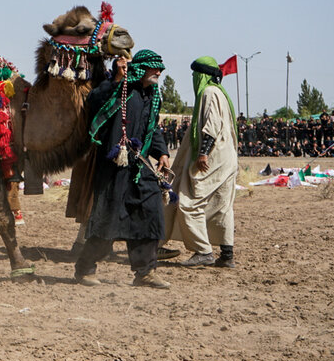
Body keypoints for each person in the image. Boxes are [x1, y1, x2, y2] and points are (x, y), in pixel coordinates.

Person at [74, 50, 172, 289]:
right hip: (113, 166)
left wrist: (162, 153)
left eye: (160, 69)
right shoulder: (118, 87)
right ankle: (85, 268)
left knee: (149, 213)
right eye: (153, 67)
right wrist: (117, 79)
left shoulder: (152, 95)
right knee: (108, 219)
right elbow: (94, 101)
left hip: (140, 166)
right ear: (140, 68)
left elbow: (153, 128)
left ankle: (145, 272)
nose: (158, 72)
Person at [160, 57, 239, 268]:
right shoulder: (221, 93)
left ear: (201, 76)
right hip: (227, 159)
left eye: (195, 75)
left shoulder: (209, 93)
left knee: (189, 203)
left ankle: (203, 251)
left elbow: (212, 126)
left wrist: (202, 153)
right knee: (222, 205)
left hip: (212, 159)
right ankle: (227, 254)